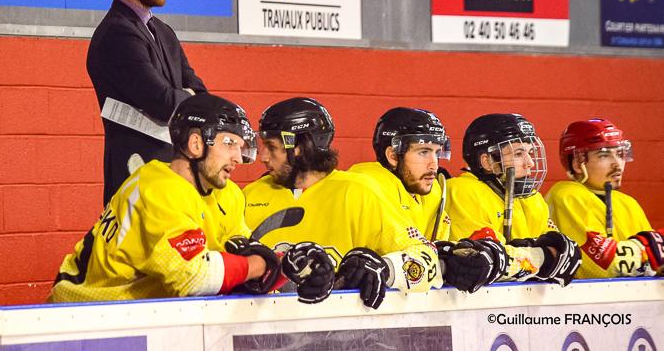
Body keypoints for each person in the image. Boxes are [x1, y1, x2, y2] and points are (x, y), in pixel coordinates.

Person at [50, 94, 334, 304]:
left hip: (137, 317)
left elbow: (245, 259)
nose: (239, 157)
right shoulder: (157, 189)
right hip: (83, 314)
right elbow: (193, 278)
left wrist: (292, 266)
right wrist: (267, 264)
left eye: (240, 146)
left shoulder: (227, 194)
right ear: (196, 143)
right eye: (229, 143)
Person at [245, 97, 506, 307]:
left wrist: (386, 269)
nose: (263, 157)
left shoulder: (357, 191)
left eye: (271, 147)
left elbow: (425, 257)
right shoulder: (251, 195)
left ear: (300, 147)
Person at [87, 0, 207, 204]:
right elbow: (163, 103)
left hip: (175, 180)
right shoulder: (116, 34)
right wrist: (187, 97)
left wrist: (188, 98)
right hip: (136, 184)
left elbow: (203, 99)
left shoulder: (164, 32)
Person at [445, 113, 582, 286]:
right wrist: (542, 257)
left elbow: (564, 255)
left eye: (530, 152)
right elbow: (483, 262)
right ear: (487, 161)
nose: (530, 163)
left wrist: (522, 257)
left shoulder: (533, 199)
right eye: (518, 154)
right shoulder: (462, 191)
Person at [545, 119, 664, 278]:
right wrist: (649, 253)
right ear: (577, 163)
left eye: (620, 154)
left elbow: (656, 265)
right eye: (604, 155)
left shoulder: (628, 203)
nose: (617, 164)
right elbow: (603, 267)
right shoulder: (567, 195)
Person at [348, 107, 452, 242]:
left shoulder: (432, 192)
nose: (434, 165)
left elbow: (434, 246)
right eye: (423, 152)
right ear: (393, 156)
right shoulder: (367, 188)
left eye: (437, 153)